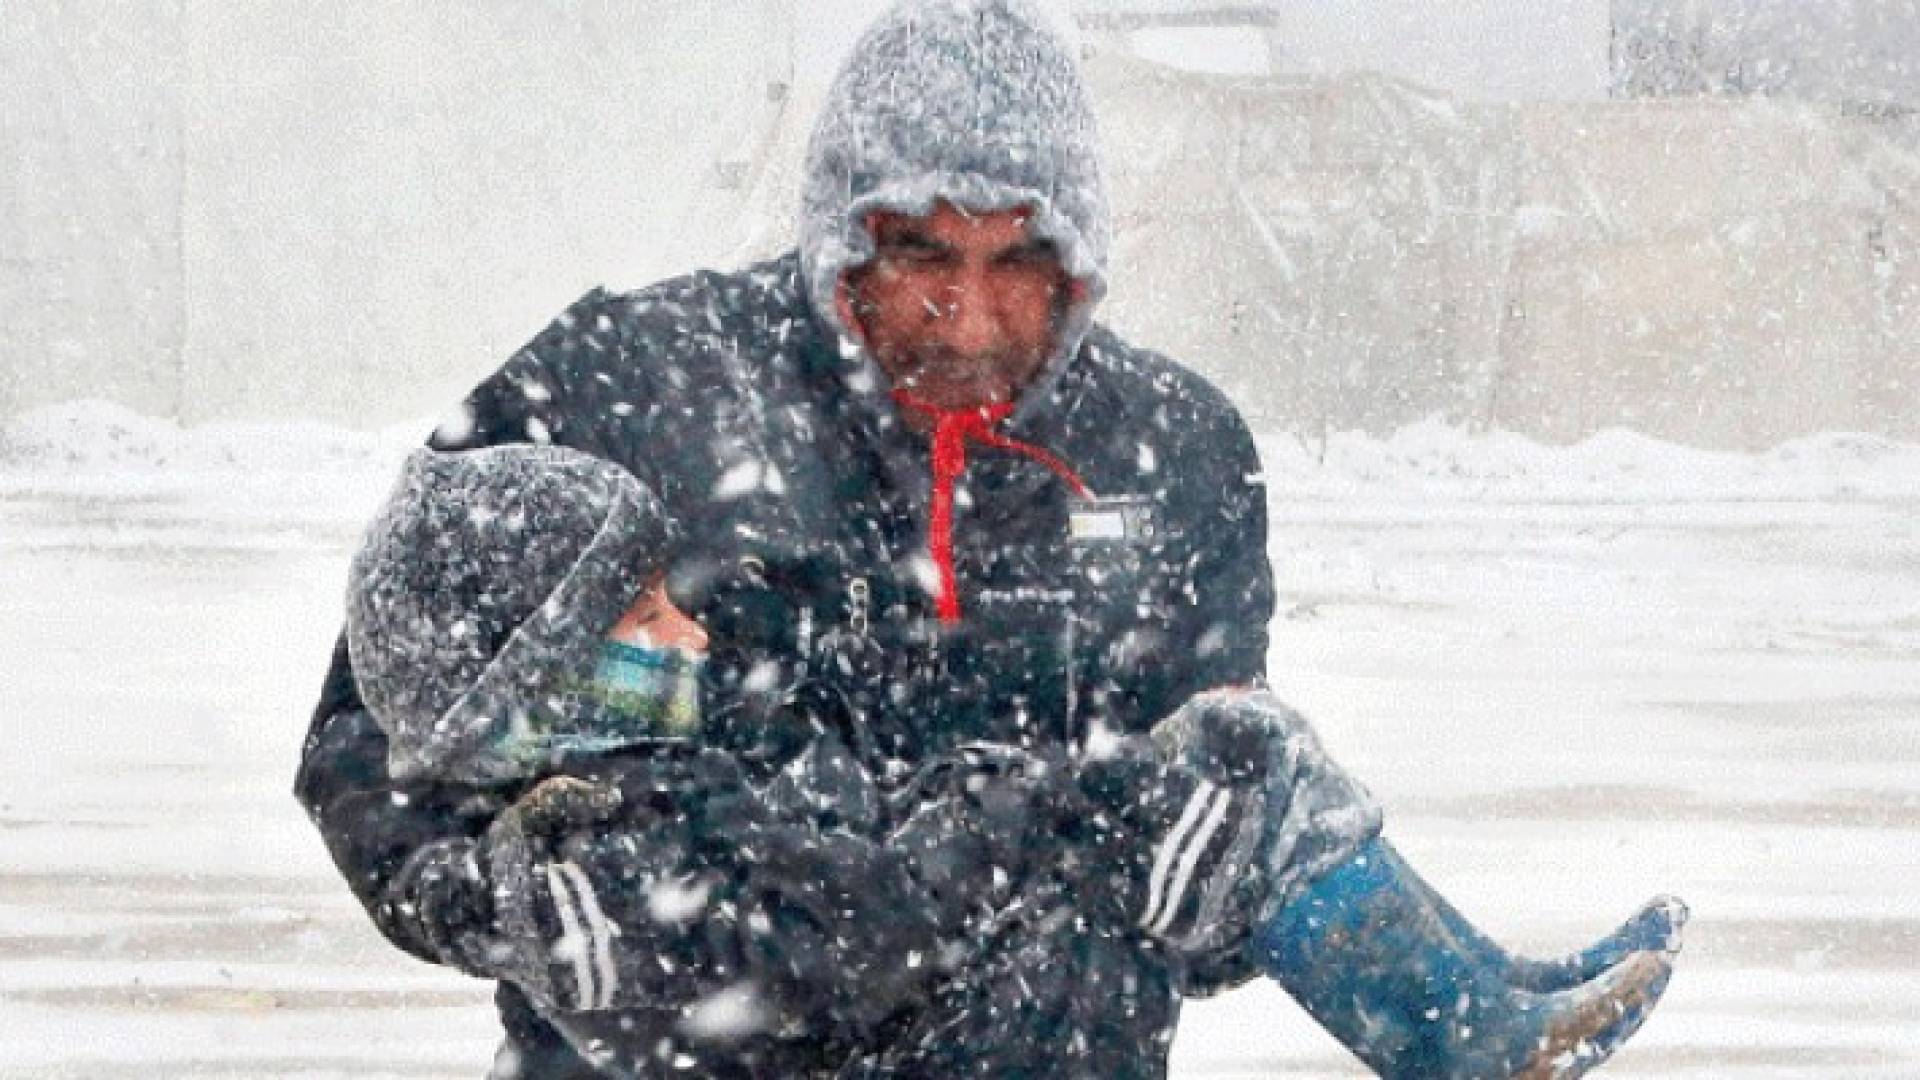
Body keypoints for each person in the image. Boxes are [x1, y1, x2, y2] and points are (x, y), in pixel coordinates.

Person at [296, 1, 1684, 1074]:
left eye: (1019, 261)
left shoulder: (1182, 456)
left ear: (1081, 260)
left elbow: (1180, 840)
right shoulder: (628, 384)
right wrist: (492, 900)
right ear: (839, 236)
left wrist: (1205, 911)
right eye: (918, 256)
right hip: (695, 1028)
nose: (968, 315)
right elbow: (388, 711)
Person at [339, 442, 1683, 1079]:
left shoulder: (645, 778)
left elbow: (840, 846)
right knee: (1219, 782)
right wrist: (1048, 819)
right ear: (537, 684)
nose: (684, 629)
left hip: (932, 1022)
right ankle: (1462, 1031)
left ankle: (1469, 1001)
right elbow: (856, 936)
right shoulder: (600, 859)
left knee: (1222, 773)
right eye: (641, 620)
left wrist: (1022, 797)